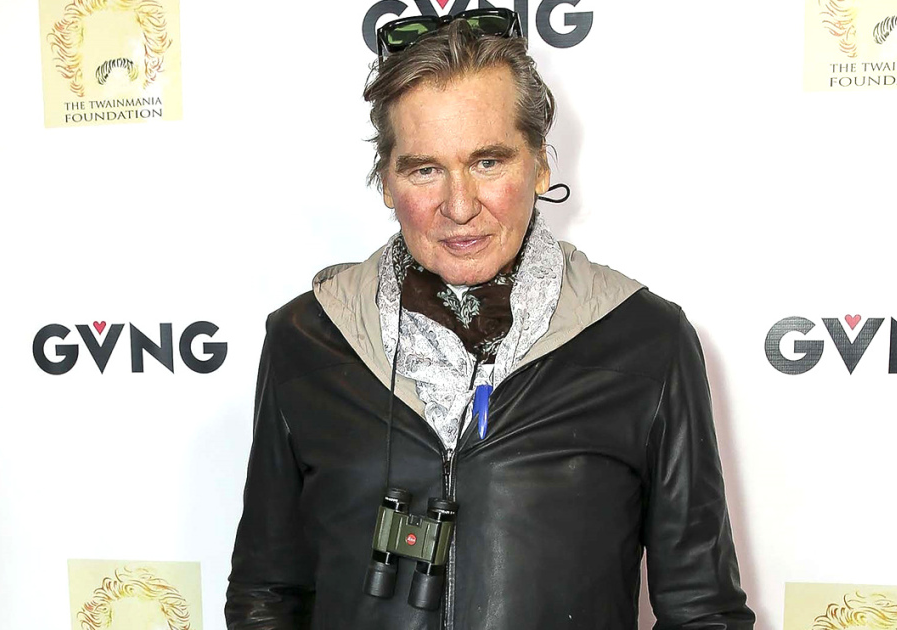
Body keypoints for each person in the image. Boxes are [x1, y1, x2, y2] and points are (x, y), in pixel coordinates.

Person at [226, 9, 754, 629]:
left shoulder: (646, 341)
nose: (459, 206)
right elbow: (266, 594)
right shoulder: (306, 338)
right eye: (425, 169)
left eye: (487, 162)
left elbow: (702, 610)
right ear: (387, 181)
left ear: (540, 164)